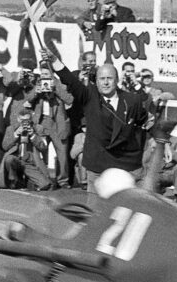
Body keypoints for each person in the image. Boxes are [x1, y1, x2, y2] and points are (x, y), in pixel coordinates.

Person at [40, 48, 149, 190]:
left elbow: (146, 122)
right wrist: (54, 60)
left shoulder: (131, 100)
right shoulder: (90, 96)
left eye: (109, 78)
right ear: (96, 81)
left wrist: (163, 143)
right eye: (101, 79)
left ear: (116, 80)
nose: (105, 83)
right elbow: (70, 80)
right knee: (96, 209)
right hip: (97, 167)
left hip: (124, 168)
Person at [30, 63, 73, 188]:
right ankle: (44, 180)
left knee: (62, 153)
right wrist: (35, 92)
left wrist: (56, 89)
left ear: (52, 74)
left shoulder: (60, 85)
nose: (45, 77)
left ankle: (63, 181)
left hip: (58, 124)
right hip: (42, 122)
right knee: (38, 150)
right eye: (43, 74)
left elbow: (69, 100)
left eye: (47, 74)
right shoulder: (37, 85)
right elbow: (27, 100)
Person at [0, 108, 51, 191]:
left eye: (27, 120)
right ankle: (14, 180)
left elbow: (43, 147)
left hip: (30, 162)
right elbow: (4, 146)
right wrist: (15, 134)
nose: (25, 123)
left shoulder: (38, 128)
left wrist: (33, 135)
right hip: (16, 159)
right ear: (18, 119)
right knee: (9, 159)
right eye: (22, 120)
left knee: (44, 184)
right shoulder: (11, 129)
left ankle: (27, 181)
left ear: (31, 119)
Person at [142, 135, 177, 202]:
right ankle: (157, 191)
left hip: (170, 172)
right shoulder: (152, 141)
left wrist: (167, 148)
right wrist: (151, 150)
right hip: (157, 173)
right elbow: (145, 160)